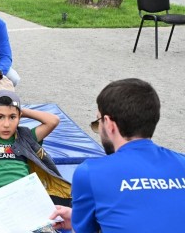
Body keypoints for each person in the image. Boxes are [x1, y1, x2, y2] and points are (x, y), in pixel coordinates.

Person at [50, 78, 185, 232]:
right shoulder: (182, 162)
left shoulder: (90, 172)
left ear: (108, 123)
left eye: (98, 122)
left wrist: (78, 222)